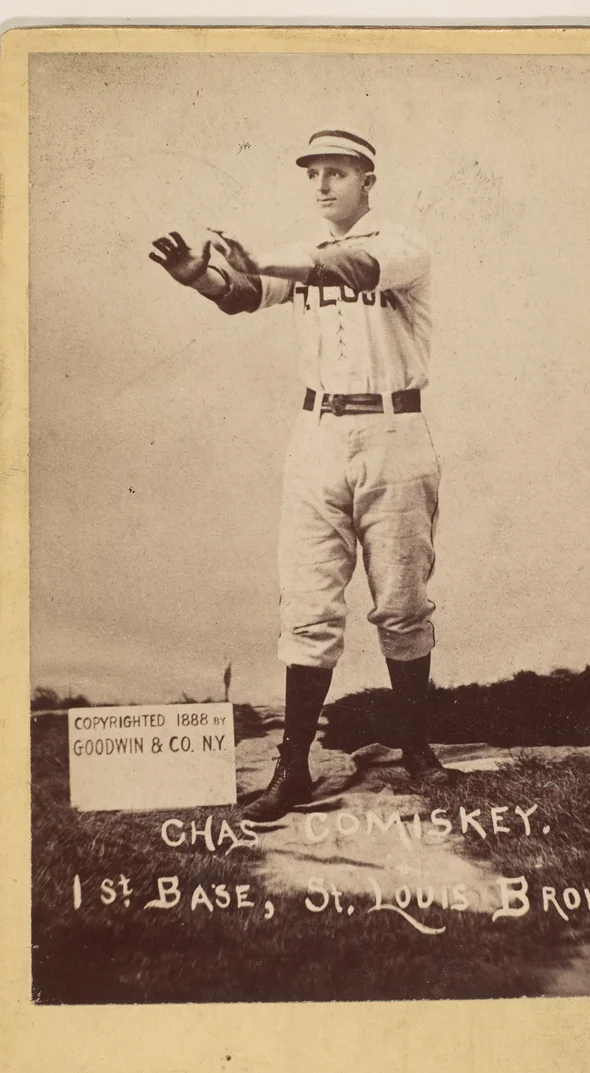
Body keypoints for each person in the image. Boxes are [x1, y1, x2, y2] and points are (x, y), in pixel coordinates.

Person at [149, 127, 449, 823]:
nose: (322, 184)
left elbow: (352, 268)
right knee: (308, 604)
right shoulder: (299, 252)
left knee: (402, 600)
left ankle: (416, 750)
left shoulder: (404, 243)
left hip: (395, 430)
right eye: (313, 172)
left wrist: (269, 260)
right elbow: (244, 294)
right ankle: (293, 768)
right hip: (316, 435)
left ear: (367, 180)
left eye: (337, 172)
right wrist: (199, 276)